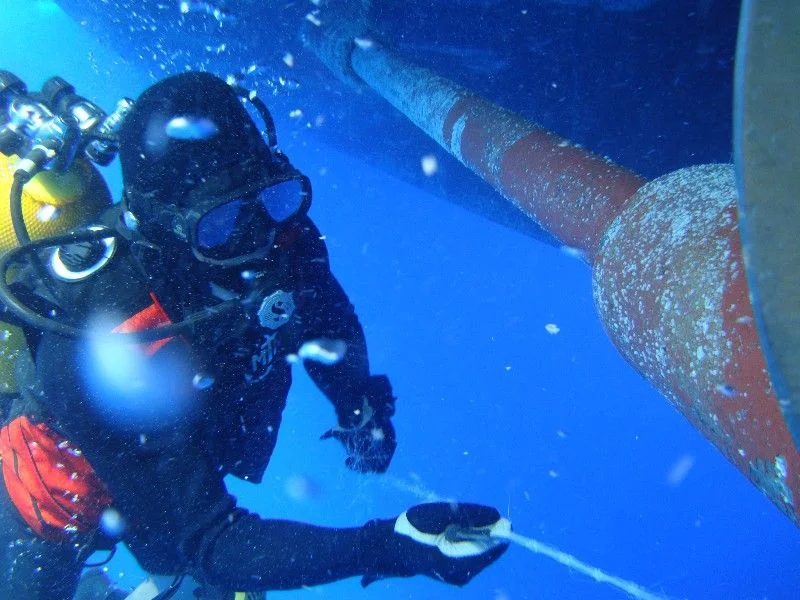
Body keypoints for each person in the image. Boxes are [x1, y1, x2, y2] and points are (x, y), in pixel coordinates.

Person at [0, 72, 508, 600]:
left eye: (277, 199)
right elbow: (210, 544)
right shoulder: (113, 341)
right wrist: (387, 545)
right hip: (56, 502)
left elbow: (329, 319)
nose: (259, 240)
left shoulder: (280, 232)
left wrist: (357, 404)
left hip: (180, 469)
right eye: (218, 227)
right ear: (165, 231)